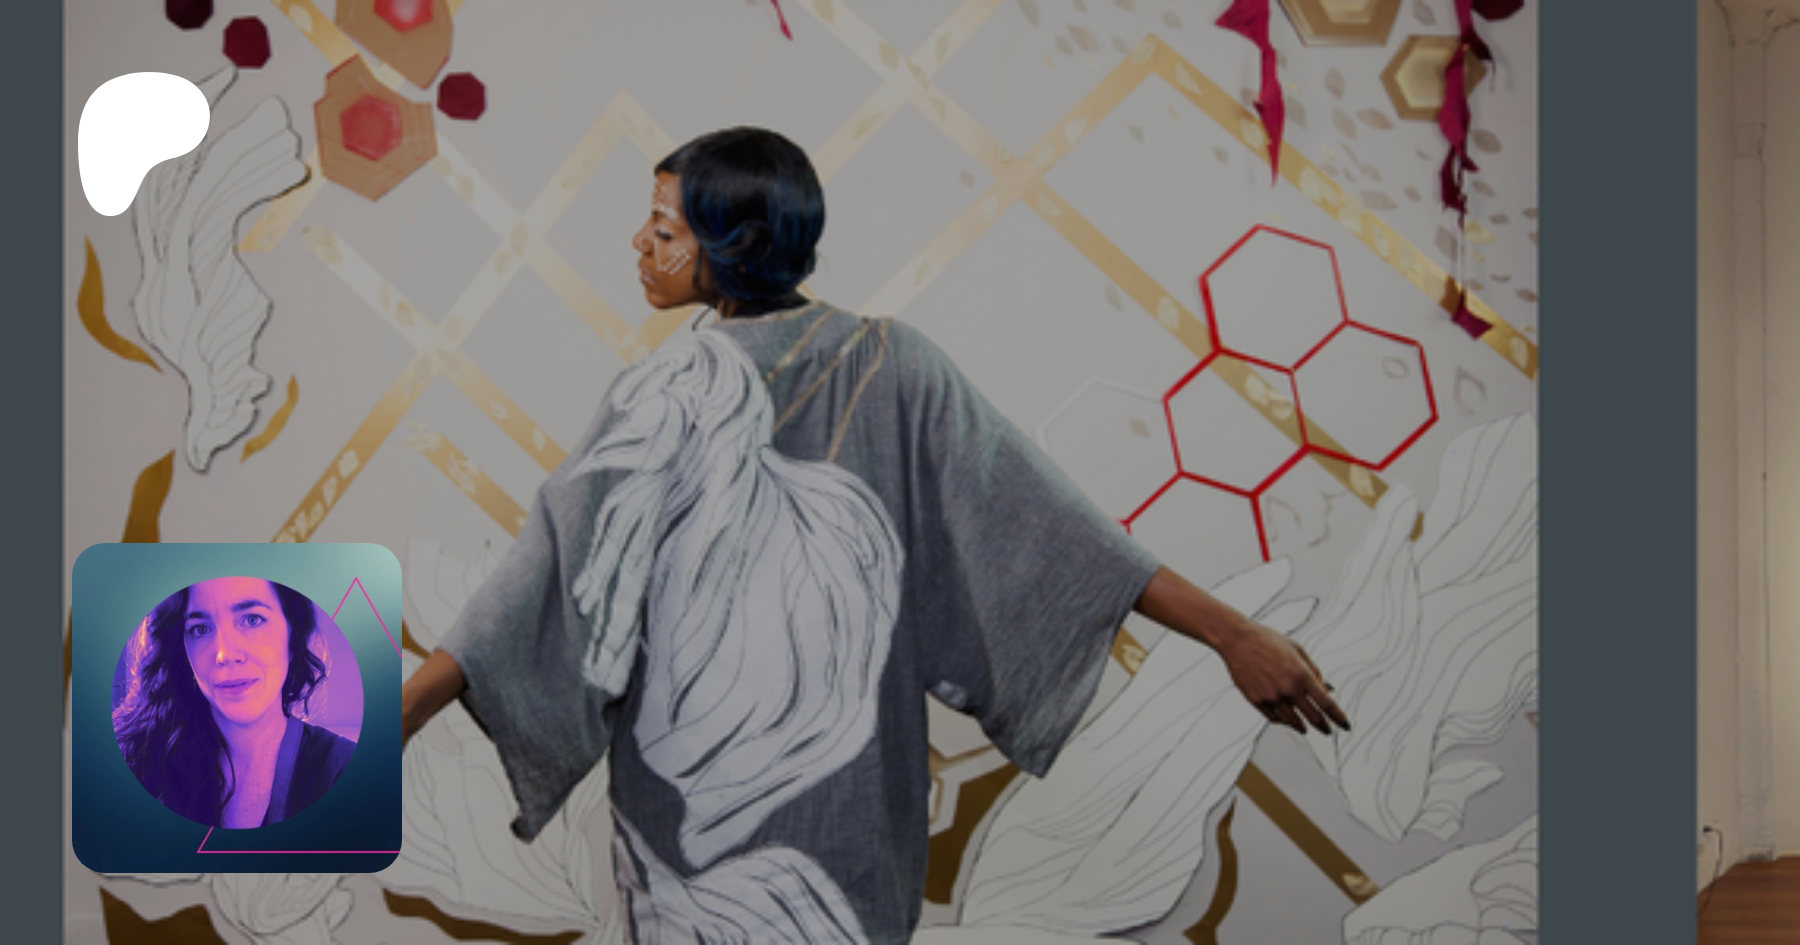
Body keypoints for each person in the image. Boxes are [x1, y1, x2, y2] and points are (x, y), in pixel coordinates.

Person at [400, 126, 1347, 943]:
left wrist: (398, 713)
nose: (638, 244)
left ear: (733, 245)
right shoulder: (887, 362)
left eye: (664, 228)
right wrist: (1230, 632)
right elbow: (1057, 528)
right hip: (806, 793)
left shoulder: (683, 393)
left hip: (728, 807)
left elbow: (545, 576)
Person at [113, 576, 356, 829]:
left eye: (252, 620)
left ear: (292, 635)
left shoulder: (342, 769)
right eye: (200, 629)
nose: (225, 654)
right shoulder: (142, 764)